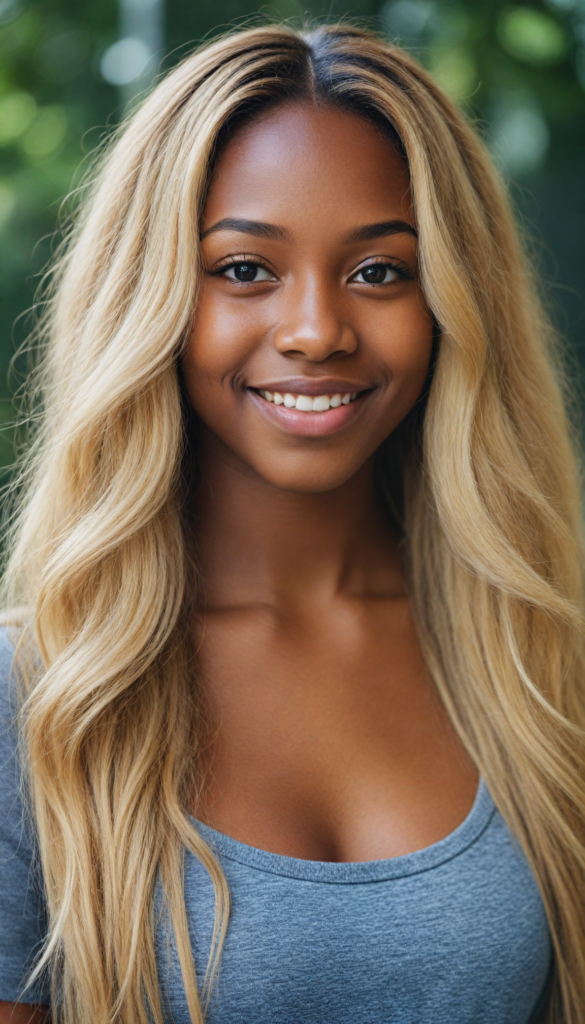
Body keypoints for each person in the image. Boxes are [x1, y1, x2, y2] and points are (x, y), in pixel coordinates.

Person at [0, 21, 583, 1024]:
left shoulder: (541, 665)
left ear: (452, 305)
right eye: (244, 270)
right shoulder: (43, 700)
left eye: (378, 272)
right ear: (153, 299)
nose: (316, 329)